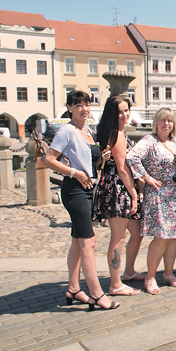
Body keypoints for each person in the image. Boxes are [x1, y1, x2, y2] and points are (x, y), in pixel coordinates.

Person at [44, 90, 119, 311]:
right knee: (88, 241)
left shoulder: (86, 130)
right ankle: (96, 294)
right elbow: (48, 159)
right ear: (69, 108)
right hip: (75, 190)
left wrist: (99, 159)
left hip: (86, 188)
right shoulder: (66, 131)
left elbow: (88, 165)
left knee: (78, 241)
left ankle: (74, 289)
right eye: (78, 105)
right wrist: (73, 173)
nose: (83, 109)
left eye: (86, 105)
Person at [126, 108, 176, 294]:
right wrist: (146, 177)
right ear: (156, 122)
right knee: (161, 237)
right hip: (159, 194)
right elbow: (132, 157)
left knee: (173, 237)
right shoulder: (149, 141)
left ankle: (168, 273)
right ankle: (151, 276)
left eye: (169, 121)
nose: (166, 124)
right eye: (162, 120)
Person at [93, 95, 143, 297]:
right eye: (120, 111)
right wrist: (133, 194)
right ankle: (115, 284)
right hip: (118, 189)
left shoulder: (117, 132)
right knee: (118, 237)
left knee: (137, 232)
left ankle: (128, 271)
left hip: (119, 186)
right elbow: (122, 169)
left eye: (126, 110)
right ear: (112, 114)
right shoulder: (117, 134)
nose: (124, 115)